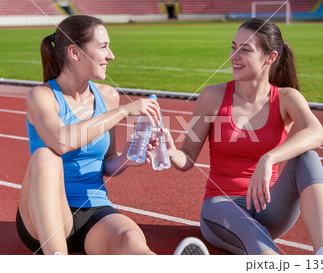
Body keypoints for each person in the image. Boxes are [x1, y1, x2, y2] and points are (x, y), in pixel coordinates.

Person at [15, 15, 209, 255]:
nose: (111, 55)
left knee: (130, 240)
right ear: (75, 53)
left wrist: (124, 159)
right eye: (103, 46)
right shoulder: (41, 96)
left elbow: (107, 163)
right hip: (45, 218)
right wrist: (123, 111)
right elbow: (61, 141)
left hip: (94, 211)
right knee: (46, 156)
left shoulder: (107, 96)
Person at [162, 18, 323, 255]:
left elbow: (317, 133)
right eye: (233, 47)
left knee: (308, 158)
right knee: (255, 237)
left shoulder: (286, 98)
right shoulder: (212, 97)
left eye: (245, 50)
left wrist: (268, 158)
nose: (234, 56)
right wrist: (171, 151)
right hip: (221, 207)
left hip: (268, 208)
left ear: (270, 58)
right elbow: (187, 157)